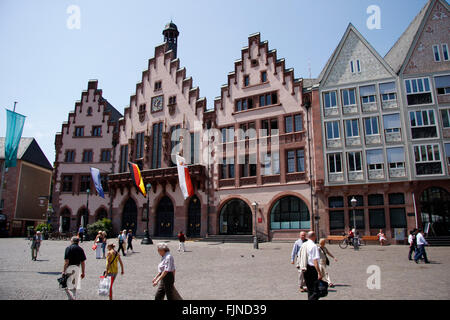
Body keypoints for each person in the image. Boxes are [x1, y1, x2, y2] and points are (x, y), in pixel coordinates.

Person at [298, 231, 322, 300]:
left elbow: (299, 255)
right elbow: (315, 261)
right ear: (314, 236)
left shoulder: (304, 244)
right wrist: (319, 273)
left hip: (305, 268)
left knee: (310, 289)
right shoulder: (314, 246)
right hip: (312, 269)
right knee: (315, 290)